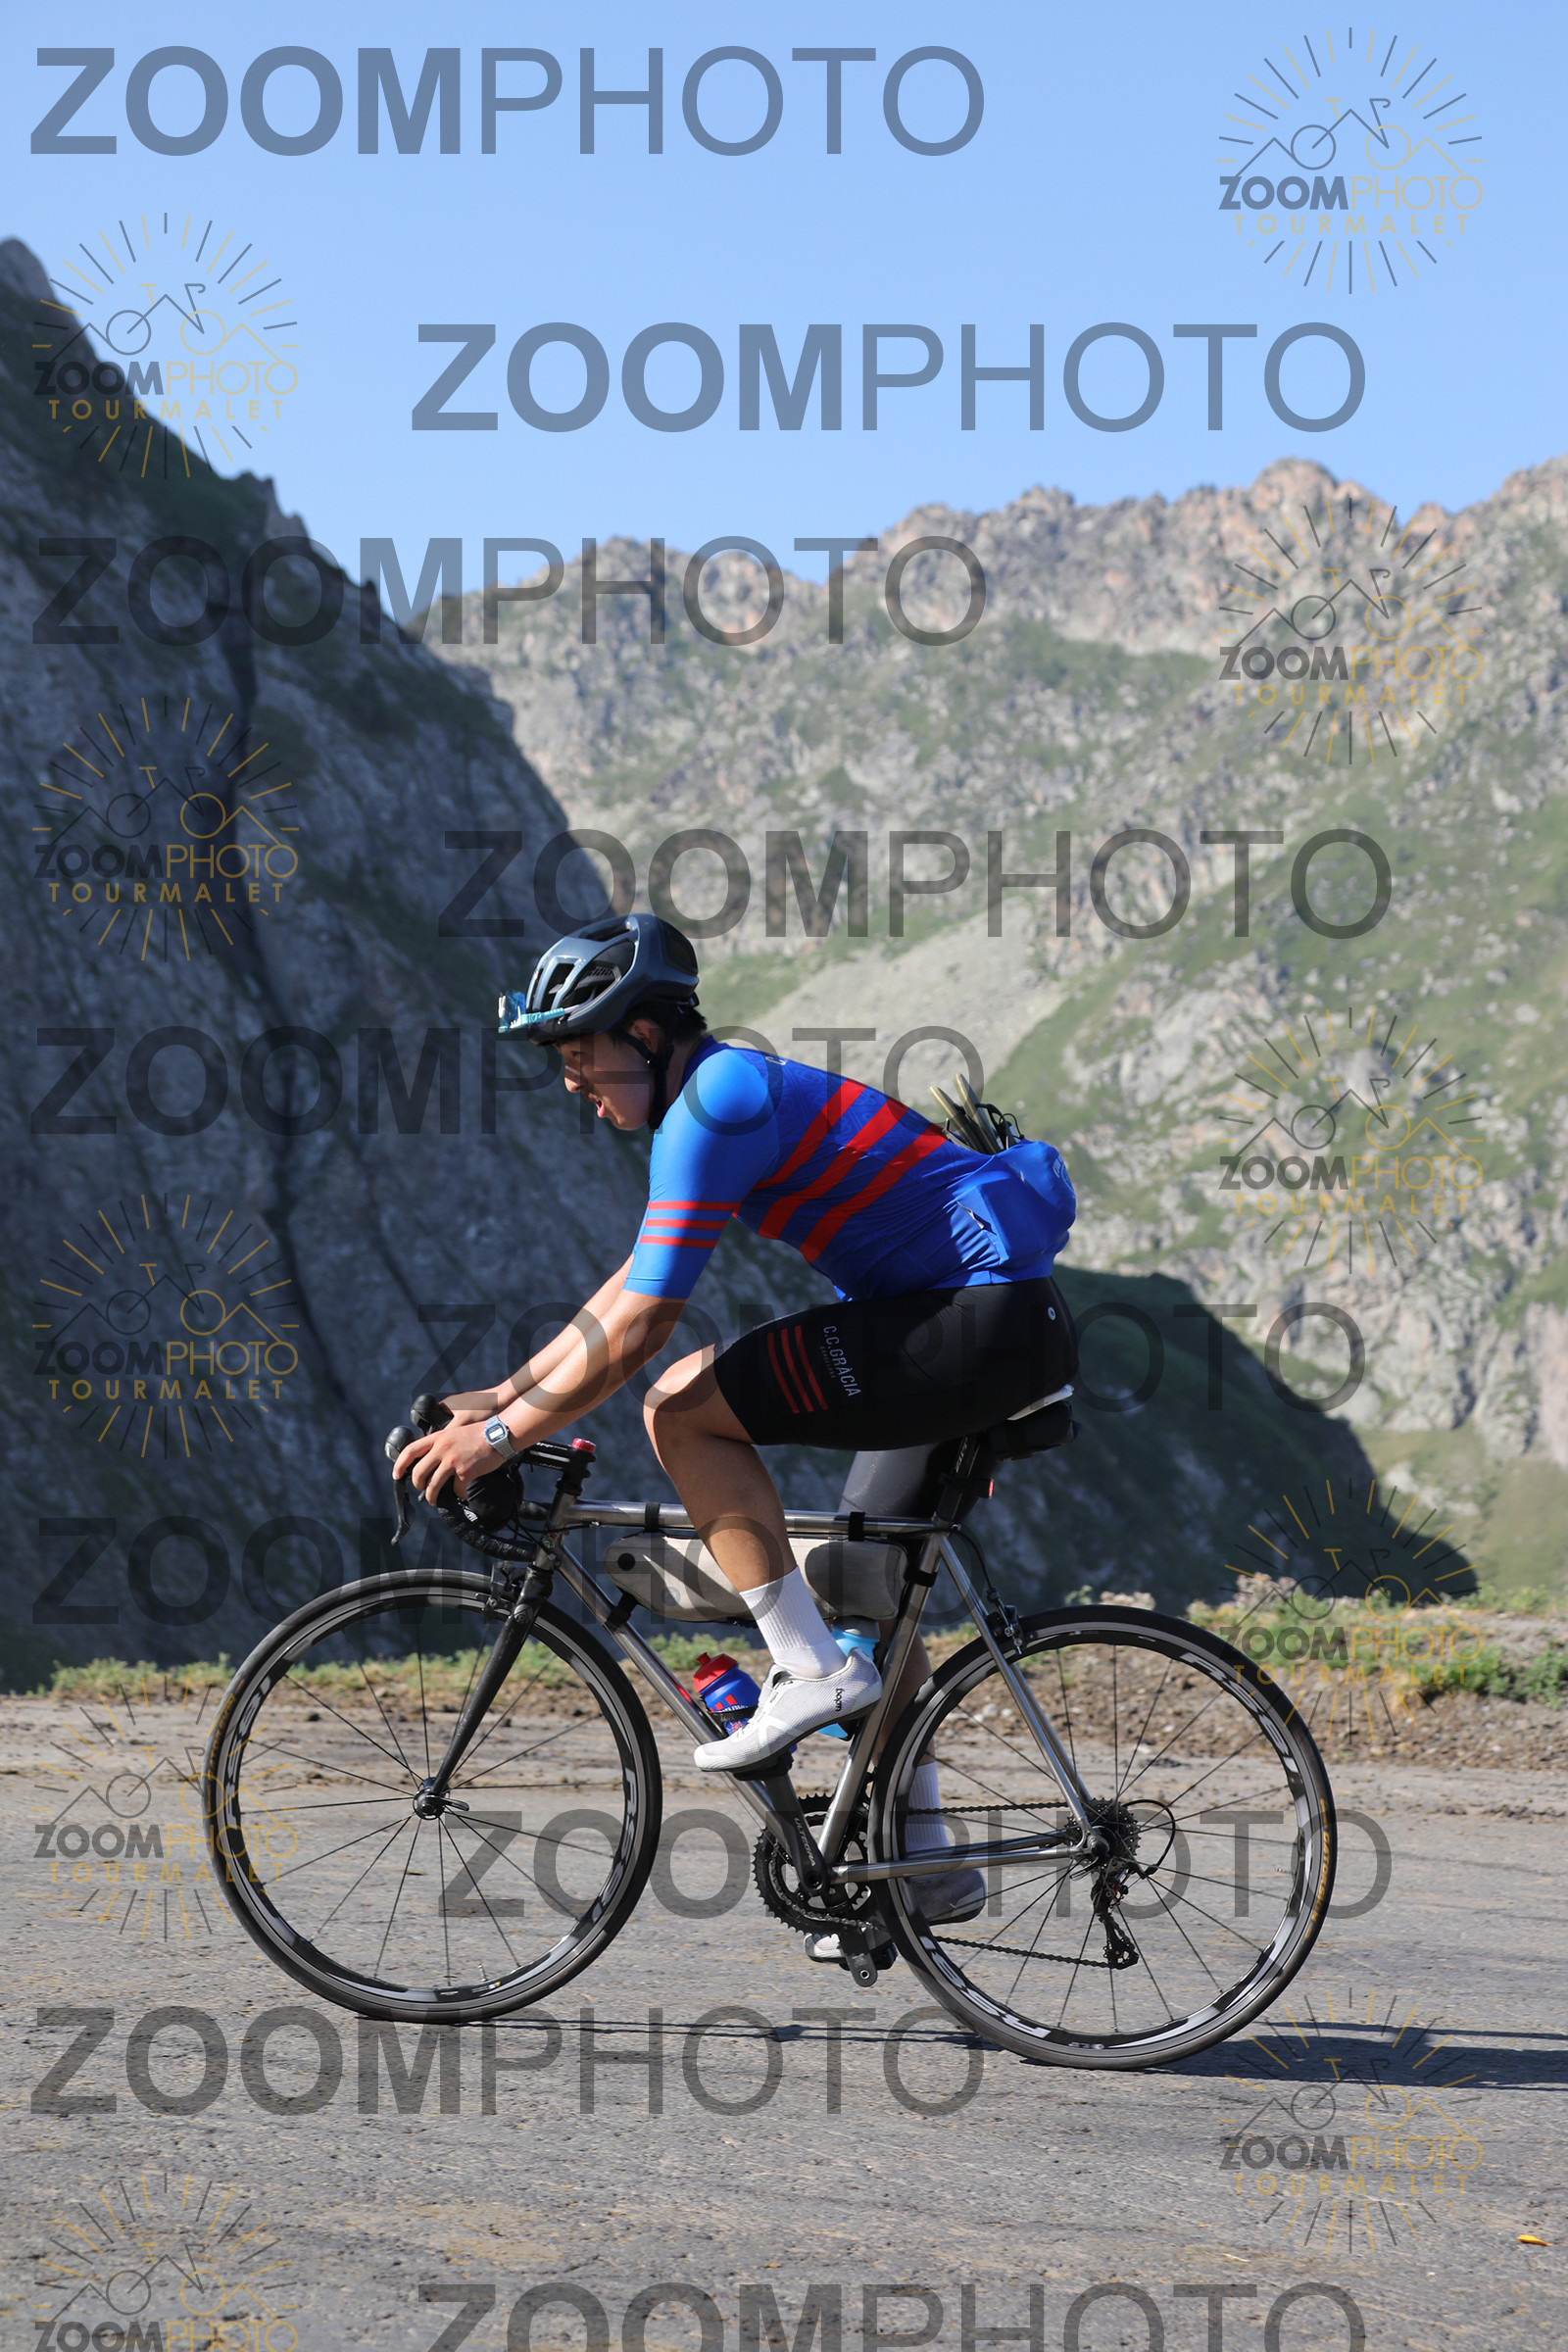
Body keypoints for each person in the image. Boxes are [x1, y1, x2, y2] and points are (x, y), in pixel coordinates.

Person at [395, 912, 1077, 1945]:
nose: (571, 1082)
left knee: (679, 1410)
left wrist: (498, 1443)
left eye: (578, 1054)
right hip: (991, 1323)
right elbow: (634, 1281)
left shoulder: (716, 1102)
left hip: (968, 1324)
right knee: (864, 1586)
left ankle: (807, 1670)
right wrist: (505, 1394)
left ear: (644, 1035)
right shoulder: (710, 1098)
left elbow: (643, 1328)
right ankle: (926, 1868)